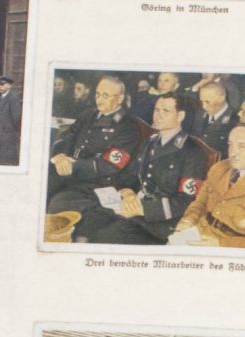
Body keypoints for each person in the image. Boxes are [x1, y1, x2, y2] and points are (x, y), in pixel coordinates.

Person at [74, 93, 215, 245]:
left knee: (107, 237)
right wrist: (128, 192)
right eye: (157, 110)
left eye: (165, 111)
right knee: (87, 221)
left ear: (180, 116)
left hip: (158, 223)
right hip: (132, 206)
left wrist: (143, 209)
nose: (158, 115)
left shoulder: (193, 153)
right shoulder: (150, 142)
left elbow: (187, 202)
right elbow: (130, 176)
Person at [171, 123, 245, 251]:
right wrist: (188, 221)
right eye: (230, 145)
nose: (233, 152)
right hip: (198, 234)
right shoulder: (219, 168)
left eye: (241, 146)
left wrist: (220, 244)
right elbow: (200, 204)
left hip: (231, 250)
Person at [47, 75, 142, 209]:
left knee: (58, 203)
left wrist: (72, 166)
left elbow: (110, 164)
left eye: (105, 96)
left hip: (97, 182)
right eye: (97, 94)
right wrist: (60, 156)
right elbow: (67, 137)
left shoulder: (127, 127)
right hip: (69, 172)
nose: (99, 99)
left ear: (120, 98)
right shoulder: (87, 115)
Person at [193, 79, 238, 156]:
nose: (203, 106)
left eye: (207, 102)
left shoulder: (234, 119)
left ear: (221, 98)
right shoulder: (200, 113)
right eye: (201, 101)